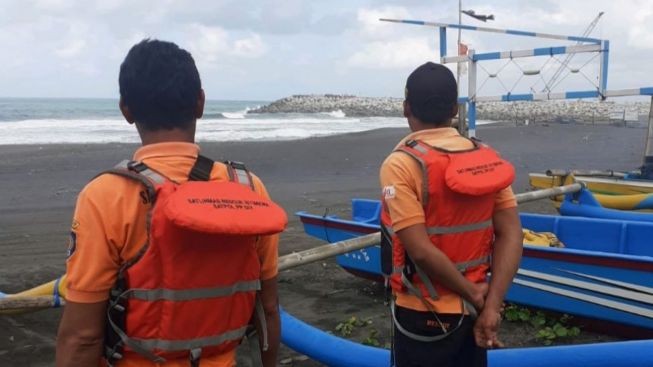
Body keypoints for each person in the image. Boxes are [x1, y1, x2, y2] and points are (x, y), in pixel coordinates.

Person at [56, 39, 285, 367]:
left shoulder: (105, 196)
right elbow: (269, 309)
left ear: (126, 110)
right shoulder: (249, 189)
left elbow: (82, 337)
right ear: (200, 103)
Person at [379, 62, 523, 367]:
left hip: (424, 311)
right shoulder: (486, 158)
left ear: (406, 108)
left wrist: (474, 294)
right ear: (455, 110)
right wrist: (491, 305)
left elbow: (419, 249)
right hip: (476, 310)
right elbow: (511, 233)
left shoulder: (401, 164)